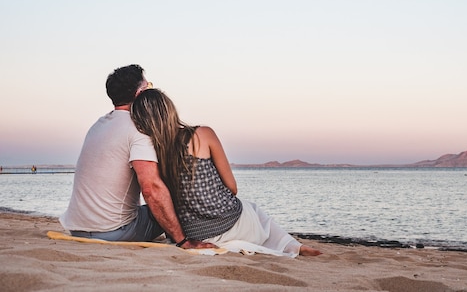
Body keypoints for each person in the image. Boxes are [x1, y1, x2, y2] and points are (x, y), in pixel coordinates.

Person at [130, 88, 322, 257]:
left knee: (252, 214)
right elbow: (232, 187)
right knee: (254, 211)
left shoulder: (148, 154)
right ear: (170, 110)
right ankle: (294, 247)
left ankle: (292, 246)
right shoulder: (201, 135)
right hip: (228, 223)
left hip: (189, 234)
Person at [60, 65, 213, 250]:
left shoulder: (98, 125)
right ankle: (196, 236)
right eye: (148, 86)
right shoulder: (138, 129)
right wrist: (183, 242)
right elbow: (151, 189)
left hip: (77, 228)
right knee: (173, 201)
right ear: (141, 94)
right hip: (112, 232)